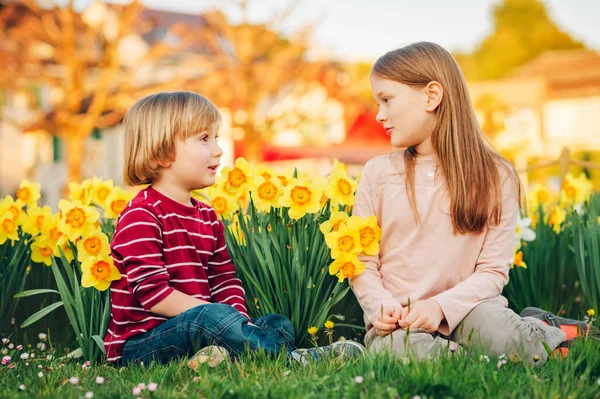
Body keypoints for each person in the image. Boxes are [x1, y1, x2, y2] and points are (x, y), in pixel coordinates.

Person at [350, 42, 586, 366]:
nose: (379, 114)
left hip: (467, 311)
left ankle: (543, 334)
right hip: (398, 324)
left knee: (502, 335)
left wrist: (440, 308)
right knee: (398, 352)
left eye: (387, 100)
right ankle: (483, 360)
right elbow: (361, 263)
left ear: (432, 96)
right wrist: (380, 307)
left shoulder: (495, 176)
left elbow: (492, 271)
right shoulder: (377, 174)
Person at [103, 91, 363, 366]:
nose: (218, 149)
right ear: (163, 153)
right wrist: (219, 319)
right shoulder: (142, 214)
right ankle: (288, 359)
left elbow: (224, 280)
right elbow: (153, 295)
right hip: (142, 344)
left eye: (215, 137)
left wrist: (237, 321)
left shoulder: (207, 216)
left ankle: (229, 355)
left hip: (201, 326)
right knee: (211, 318)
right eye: (204, 138)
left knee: (277, 322)